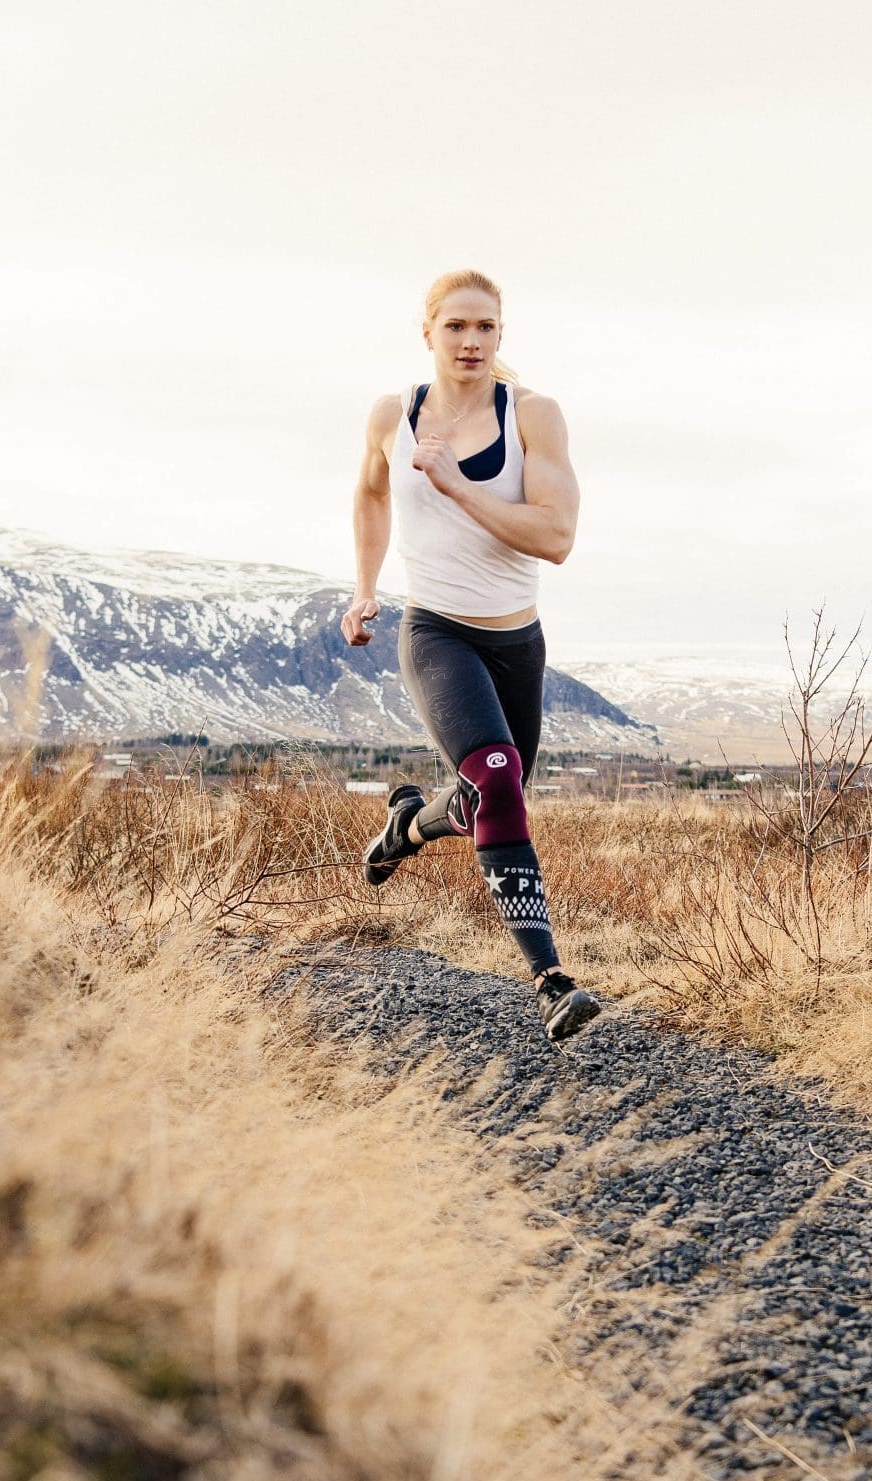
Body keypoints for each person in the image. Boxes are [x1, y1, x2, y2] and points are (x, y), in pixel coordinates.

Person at [342, 268, 603, 1043]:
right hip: (437, 632)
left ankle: (406, 826)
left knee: (487, 797)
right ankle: (552, 980)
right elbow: (371, 493)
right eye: (456, 326)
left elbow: (556, 539)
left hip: (517, 643)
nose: (471, 340)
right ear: (427, 333)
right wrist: (364, 587)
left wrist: (457, 485)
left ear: (500, 335)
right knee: (494, 777)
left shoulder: (534, 417)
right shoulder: (394, 415)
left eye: (486, 327)